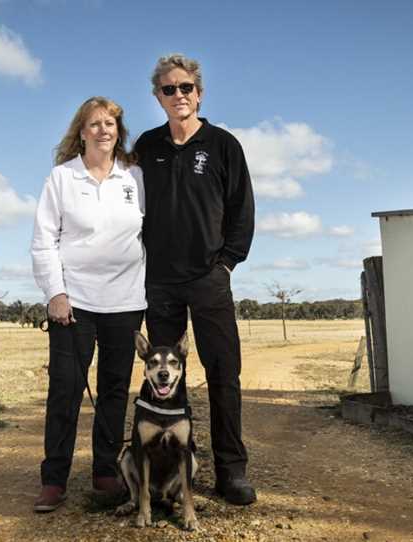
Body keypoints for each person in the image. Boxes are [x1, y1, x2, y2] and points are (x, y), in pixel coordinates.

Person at [134, 54, 256, 505]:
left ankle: (231, 470)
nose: (178, 95)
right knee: (164, 381)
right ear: (158, 97)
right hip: (160, 282)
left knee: (224, 373)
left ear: (199, 93)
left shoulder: (224, 145)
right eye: (169, 90)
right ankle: (167, 470)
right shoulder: (146, 148)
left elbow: (243, 210)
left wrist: (226, 264)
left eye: (185, 88)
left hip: (209, 278)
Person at [30, 97, 146, 512]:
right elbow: (44, 241)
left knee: (114, 391)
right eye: (94, 124)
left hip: (126, 301)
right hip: (74, 304)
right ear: (80, 132)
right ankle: (53, 480)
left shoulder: (135, 177)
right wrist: (55, 294)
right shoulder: (61, 178)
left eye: (110, 123)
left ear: (119, 130)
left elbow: (149, 234)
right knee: (65, 390)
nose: (103, 130)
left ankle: (104, 473)